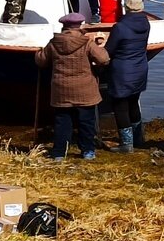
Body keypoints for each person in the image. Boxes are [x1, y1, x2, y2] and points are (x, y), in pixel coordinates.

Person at [35, 13, 110, 161]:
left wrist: (38, 51)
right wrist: (101, 47)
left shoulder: (54, 42)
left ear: (64, 26)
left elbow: (41, 61)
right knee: (86, 122)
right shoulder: (86, 43)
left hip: (61, 89)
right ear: (79, 25)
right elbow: (104, 59)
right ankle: (88, 151)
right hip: (85, 89)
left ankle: (59, 153)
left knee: (62, 122)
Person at [105, 0, 151, 152]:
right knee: (133, 102)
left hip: (123, 71)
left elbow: (109, 50)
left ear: (126, 7)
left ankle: (126, 145)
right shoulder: (146, 23)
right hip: (140, 68)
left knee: (120, 106)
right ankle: (138, 139)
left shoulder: (120, 27)